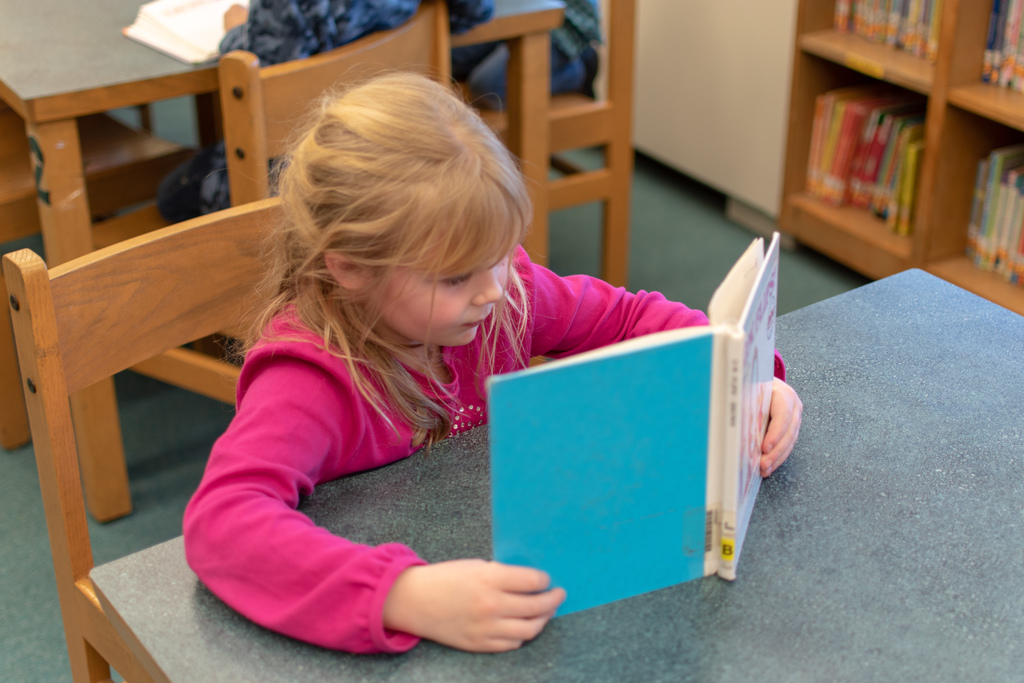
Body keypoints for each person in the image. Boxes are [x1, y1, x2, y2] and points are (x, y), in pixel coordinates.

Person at [182, 72, 804, 655]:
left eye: (503, 255)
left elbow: (627, 317)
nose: (493, 291)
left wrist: (748, 377)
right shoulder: (308, 379)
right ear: (348, 268)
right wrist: (401, 596)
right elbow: (224, 523)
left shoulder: (500, 295)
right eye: (455, 277)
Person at [156, 0, 495, 224]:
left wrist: (234, 31)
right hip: (401, 141)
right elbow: (474, 12)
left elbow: (264, 69)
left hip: (307, 162)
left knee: (172, 195)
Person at [451, 0, 601, 109]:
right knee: (451, 59)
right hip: (503, 11)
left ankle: (576, 70)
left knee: (488, 89)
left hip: (558, 18)